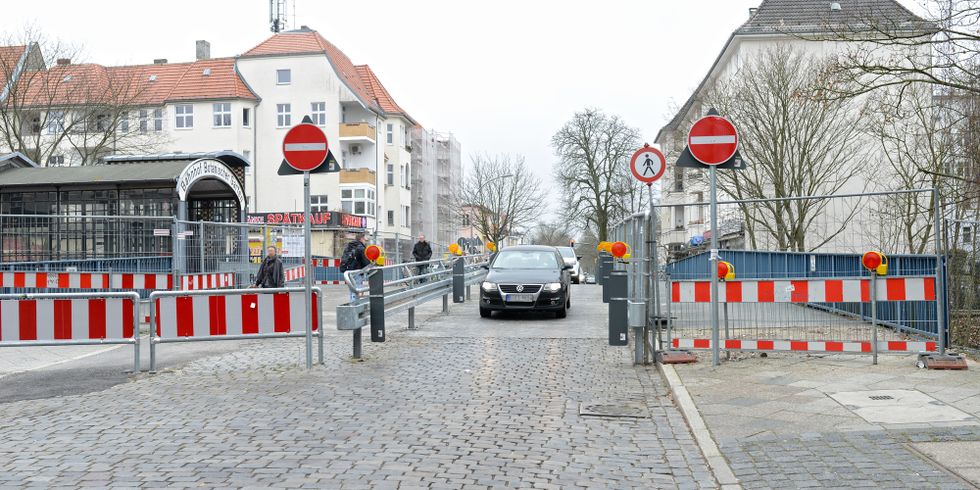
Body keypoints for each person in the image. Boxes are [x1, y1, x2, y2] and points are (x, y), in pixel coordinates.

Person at [340, 233, 371, 301]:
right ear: (361, 239)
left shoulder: (348, 246)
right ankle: (355, 305)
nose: (365, 241)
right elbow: (365, 261)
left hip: (348, 271)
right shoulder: (361, 248)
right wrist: (369, 270)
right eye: (364, 239)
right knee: (357, 289)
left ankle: (352, 303)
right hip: (357, 271)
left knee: (352, 289)